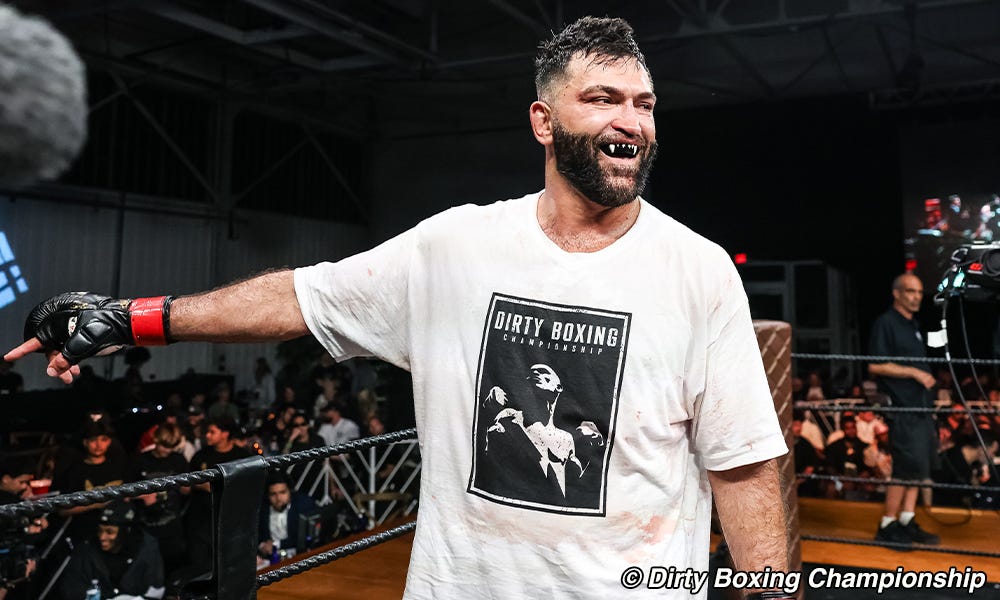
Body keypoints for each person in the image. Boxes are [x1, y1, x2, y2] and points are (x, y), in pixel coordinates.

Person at [6, 16, 790, 599]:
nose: (632, 121)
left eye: (644, 104)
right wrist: (131, 318)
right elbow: (301, 297)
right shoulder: (454, 248)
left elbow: (746, 467)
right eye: (603, 99)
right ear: (544, 122)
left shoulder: (697, 271)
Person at [868, 273, 941, 546]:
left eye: (920, 292)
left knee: (918, 467)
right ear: (896, 293)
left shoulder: (914, 325)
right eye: (910, 291)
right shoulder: (886, 323)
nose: (916, 297)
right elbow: (875, 365)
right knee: (904, 468)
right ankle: (887, 524)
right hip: (903, 408)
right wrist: (913, 372)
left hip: (920, 407)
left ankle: (907, 519)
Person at [58, 500, 164, 600]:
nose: (102, 537)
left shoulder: (146, 548)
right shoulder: (87, 550)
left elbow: (155, 589)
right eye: (100, 531)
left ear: (126, 532)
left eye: (110, 532)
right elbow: (72, 590)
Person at [257, 471, 317, 560]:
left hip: (299, 556)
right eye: (273, 494)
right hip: (269, 559)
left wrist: (276, 544)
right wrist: (262, 546)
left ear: (290, 491)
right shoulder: (262, 509)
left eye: (282, 492)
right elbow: (255, 535)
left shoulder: (303, 505)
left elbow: (306, 537)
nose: (278, 498)